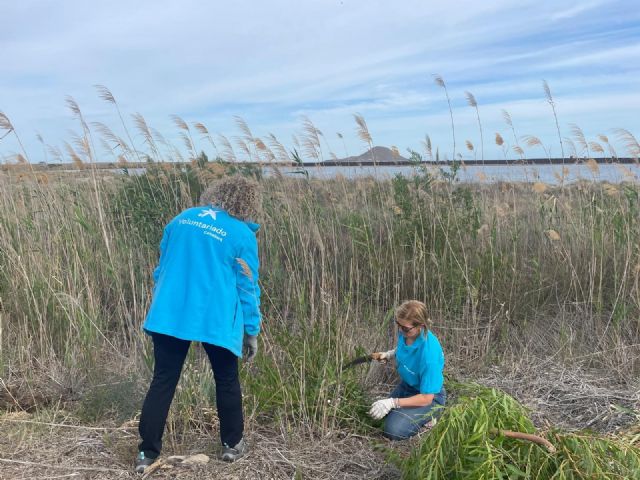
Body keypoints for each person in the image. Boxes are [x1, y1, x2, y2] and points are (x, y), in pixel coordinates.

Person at [135, 176, 262, 473]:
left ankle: (146, 453)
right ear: (248, 202)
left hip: (170, 313)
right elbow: (248, 287)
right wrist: (252, 330)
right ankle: (232, 445)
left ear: (215, 194)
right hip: (214, 316)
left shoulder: (181, 219)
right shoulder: (242, 234)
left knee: (163, 380)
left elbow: (161, 267)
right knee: (227, 379)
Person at [368, 300, 446, 440]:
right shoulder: (406, 334)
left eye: (405, 328)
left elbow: (426, 397)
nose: (400, 330)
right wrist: (389, 354)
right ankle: (409, 413)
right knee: (375, 417)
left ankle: (434, 413)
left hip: (429, 397)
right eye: (398, 325)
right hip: (407, 387)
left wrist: (392, 403)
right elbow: (403, 349)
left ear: (421, 326)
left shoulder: (429, 355)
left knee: (393, 431)